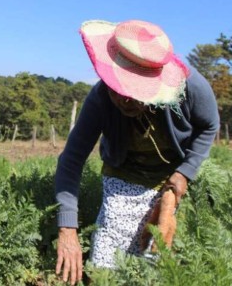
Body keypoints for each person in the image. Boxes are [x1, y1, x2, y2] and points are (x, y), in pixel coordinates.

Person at [55, 19, 220, 284]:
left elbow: (209, 125)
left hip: (172, 171)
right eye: (119, 89)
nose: (126, 99)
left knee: (160, 256)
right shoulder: (99, 99)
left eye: (137, 91)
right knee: (106, 265)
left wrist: (184, 173)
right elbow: (71, 160)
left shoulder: (190, 87)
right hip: (125, 171)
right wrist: (67, 228)